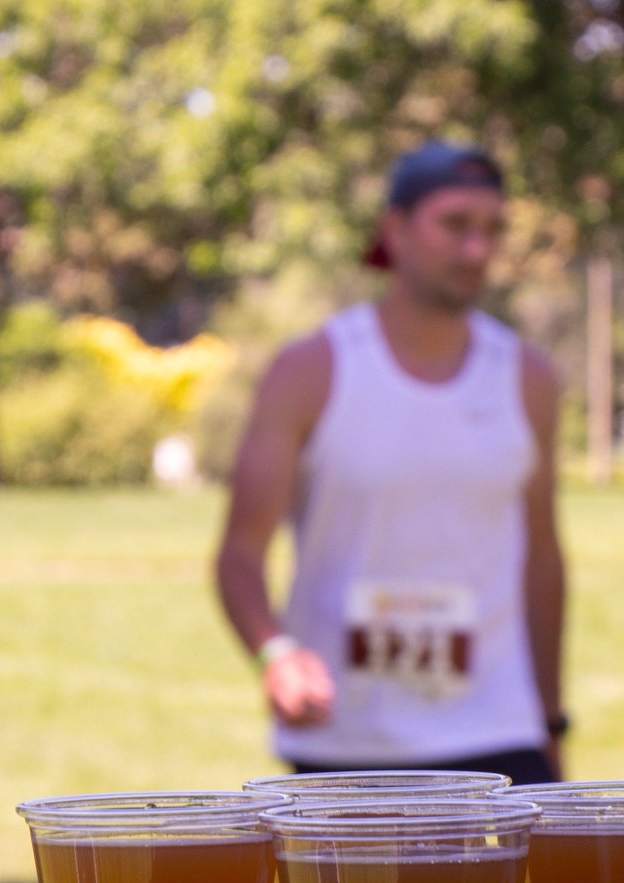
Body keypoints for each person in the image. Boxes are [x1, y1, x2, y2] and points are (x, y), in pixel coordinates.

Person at [215, 140, 567, 784]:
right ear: (395, 230)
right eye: (455, 224)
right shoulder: (311, 372)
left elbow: (542, 559)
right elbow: (239, 552)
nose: (477, 249)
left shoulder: (528, 379)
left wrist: (550, 721)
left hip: (496, 734)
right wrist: (276, 656)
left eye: (493, 228)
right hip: (345, 742)